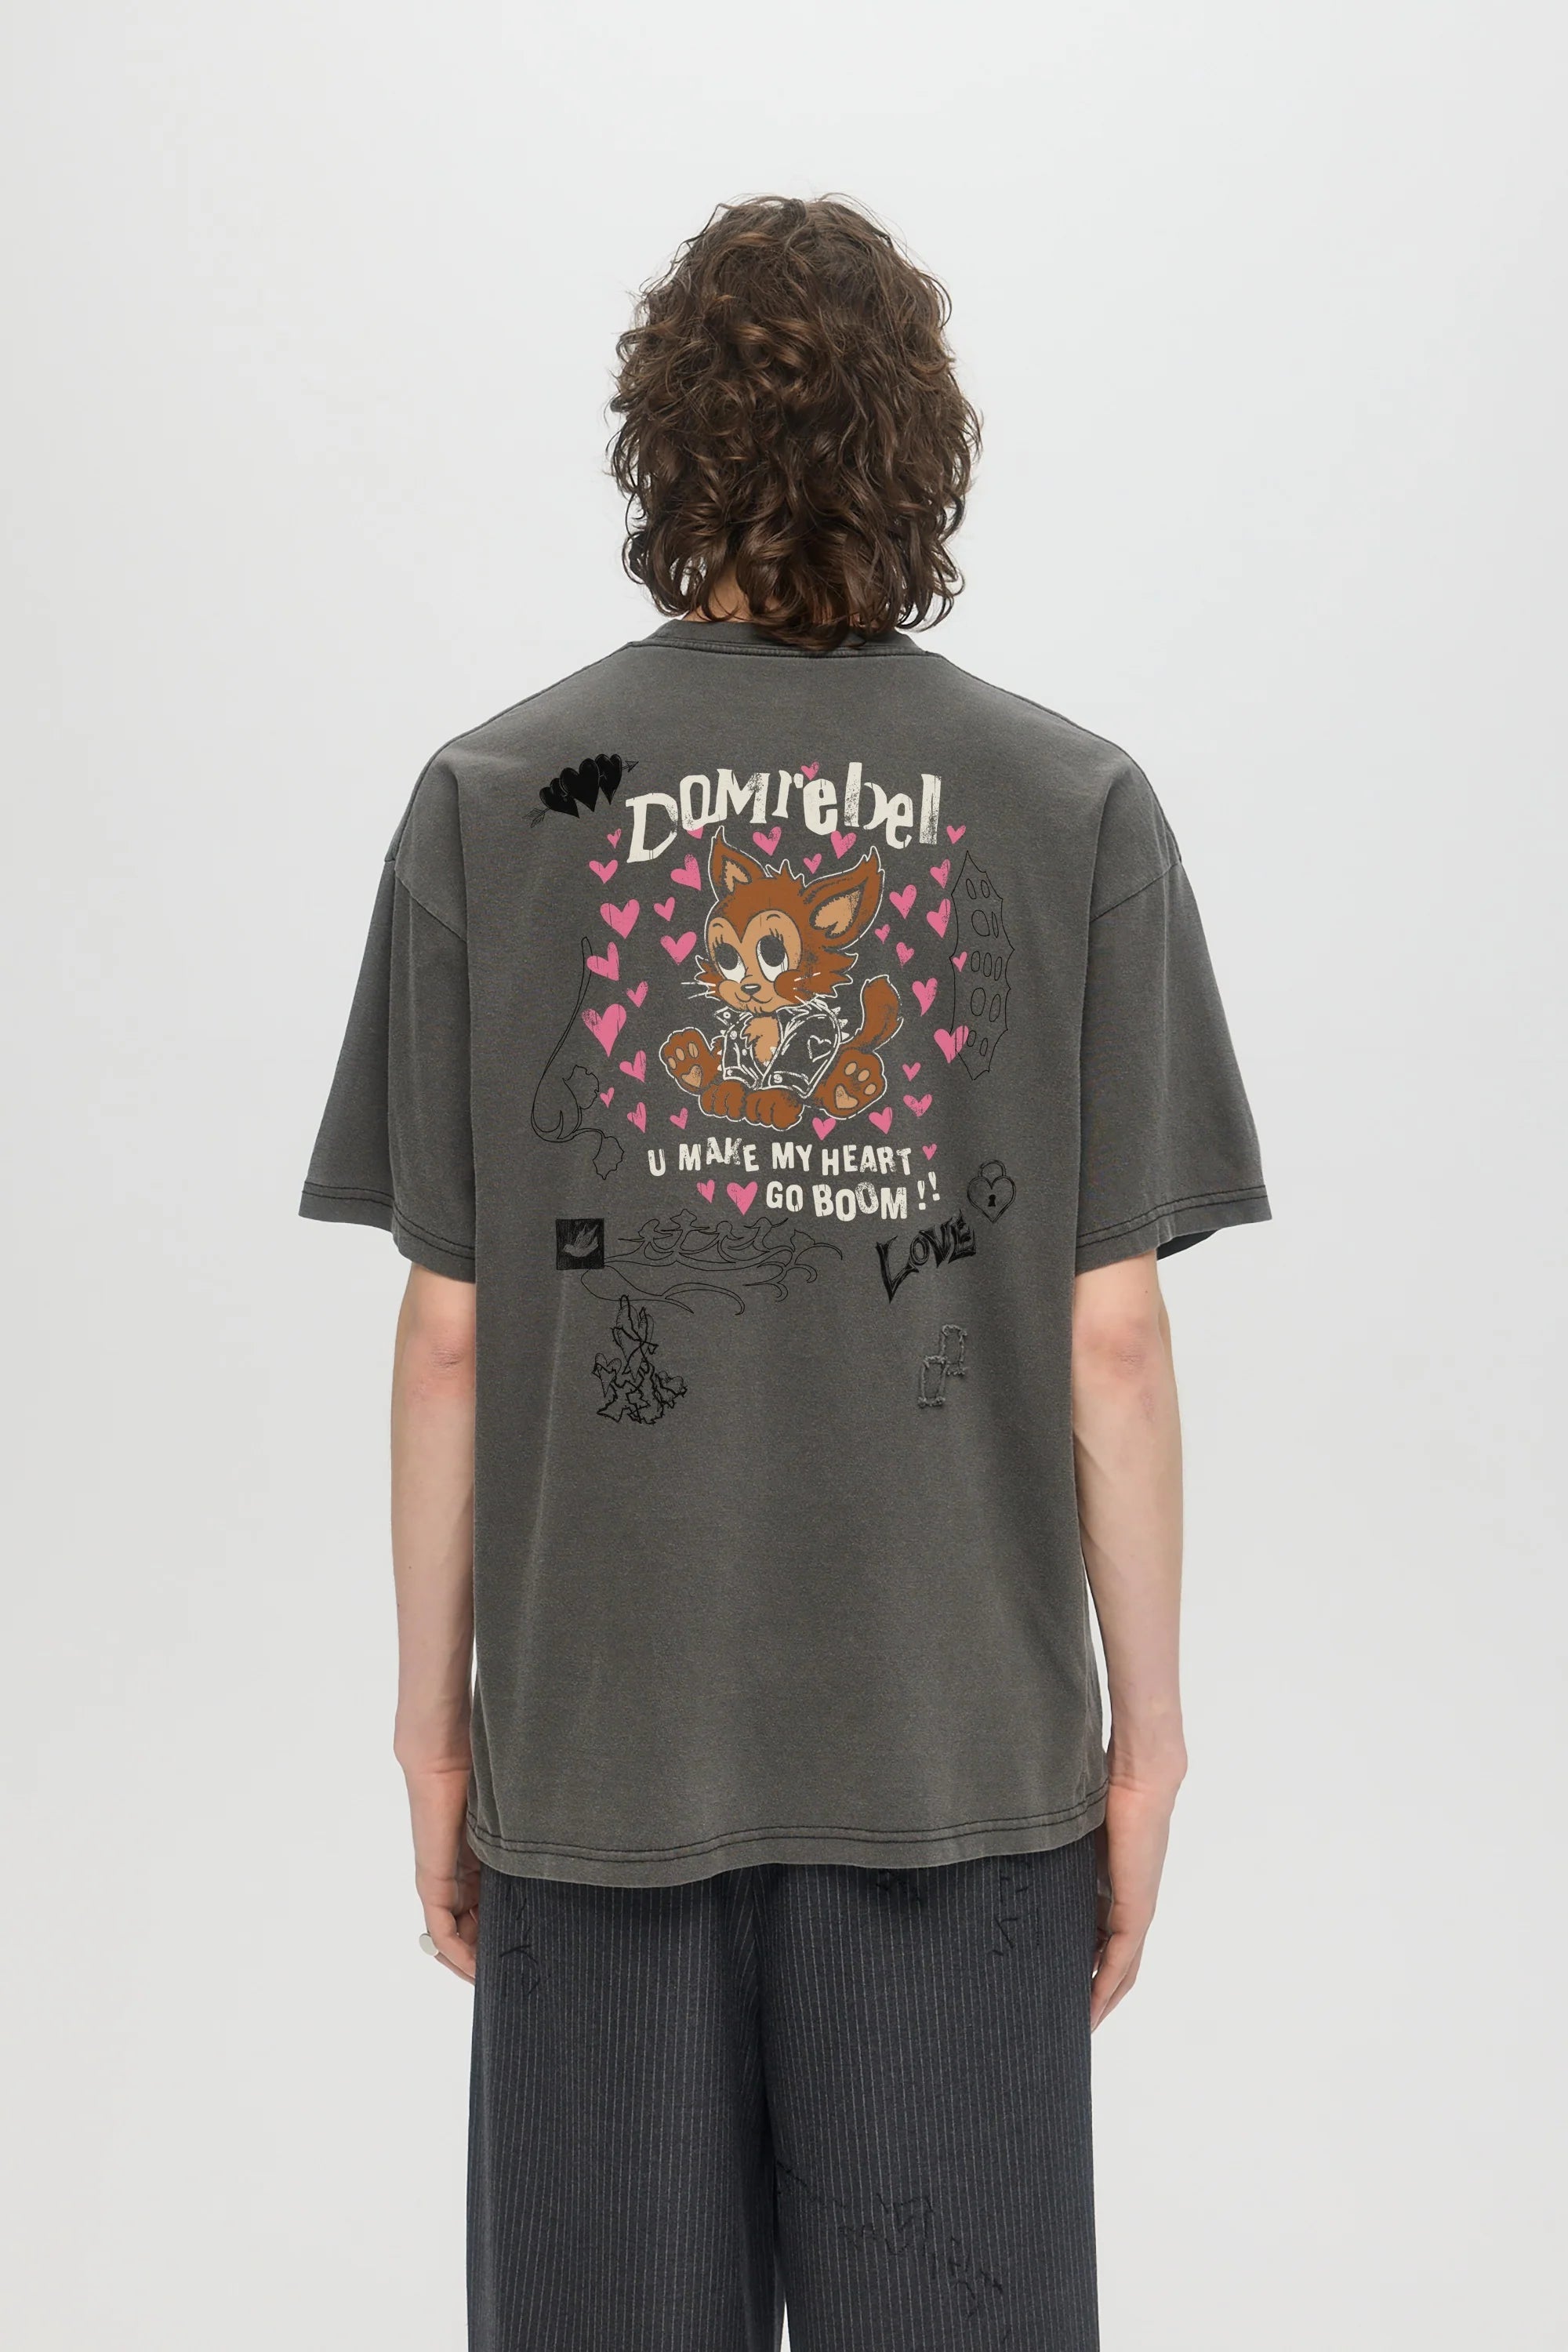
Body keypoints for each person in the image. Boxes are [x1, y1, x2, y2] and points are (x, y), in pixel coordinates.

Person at [300, 194, 1269, 2352]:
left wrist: (437, 1738)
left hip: (599, 1764)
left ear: (661, 448)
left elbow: (450, 1342)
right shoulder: (1074, 810)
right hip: (957, 1770)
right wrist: (1149, 1745)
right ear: (925, 452)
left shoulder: (487, 805)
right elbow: (1113, 1341)